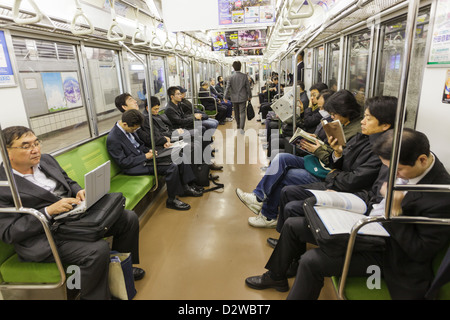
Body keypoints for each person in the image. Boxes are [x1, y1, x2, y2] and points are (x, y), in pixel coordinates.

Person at [245, 128, 450, 300]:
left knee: (312, 261)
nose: (393, 174)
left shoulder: (441, 197)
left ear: (422, 159)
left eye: (398, 171)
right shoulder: (400, 164)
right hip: (367, 222)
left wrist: (396, 213)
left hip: (389, 251)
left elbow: (419, 251)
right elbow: (374, 195)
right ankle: (277, 275)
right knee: (293, 224)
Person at [0, 126, 144, 300]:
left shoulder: (46, 160)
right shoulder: (4, 187)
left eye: (37, 143)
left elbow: (67, 180)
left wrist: (78, 191)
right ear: (6, 152)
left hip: (71, 219)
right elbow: (9, 233)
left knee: (127, 218)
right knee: (97, 250)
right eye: (26, 146)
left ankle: (122, 268)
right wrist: (47, 212)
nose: (35, 149)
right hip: (44, 236)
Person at [236, 95, 396, 229]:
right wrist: (329, 148)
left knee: (287, 174)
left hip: (328, 173)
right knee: (281, 158)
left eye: (368, 118)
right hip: (326, 166)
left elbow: (350, 174)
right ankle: (259, 197)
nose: (331, 116)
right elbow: (339, 156)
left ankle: (268, 214)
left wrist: (321, 149)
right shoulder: (360, 134)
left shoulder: (362, 139)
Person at [106, 109, 201, 211]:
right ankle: (172, 200)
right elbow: (123, 162)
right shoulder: (113, 138)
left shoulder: (130, 129)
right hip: (134, 166)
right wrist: (145, 156)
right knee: (171, 167)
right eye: (134, 129)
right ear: (125, 124)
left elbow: (140, 145)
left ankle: (186, 187)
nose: (135, 131)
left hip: (145, 157)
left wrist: (150, 150)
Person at [224, 60, 252, 131]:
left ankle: (238, 126)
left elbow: (227, 88)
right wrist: (250, 96)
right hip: (243, 97)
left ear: (233, 67)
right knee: (242, 113)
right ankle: (241, 129)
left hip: (234, 97)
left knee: (236, 113)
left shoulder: (230, 77)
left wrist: (225, 97)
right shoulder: (244, 76)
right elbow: (248, 87)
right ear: (240, 67)